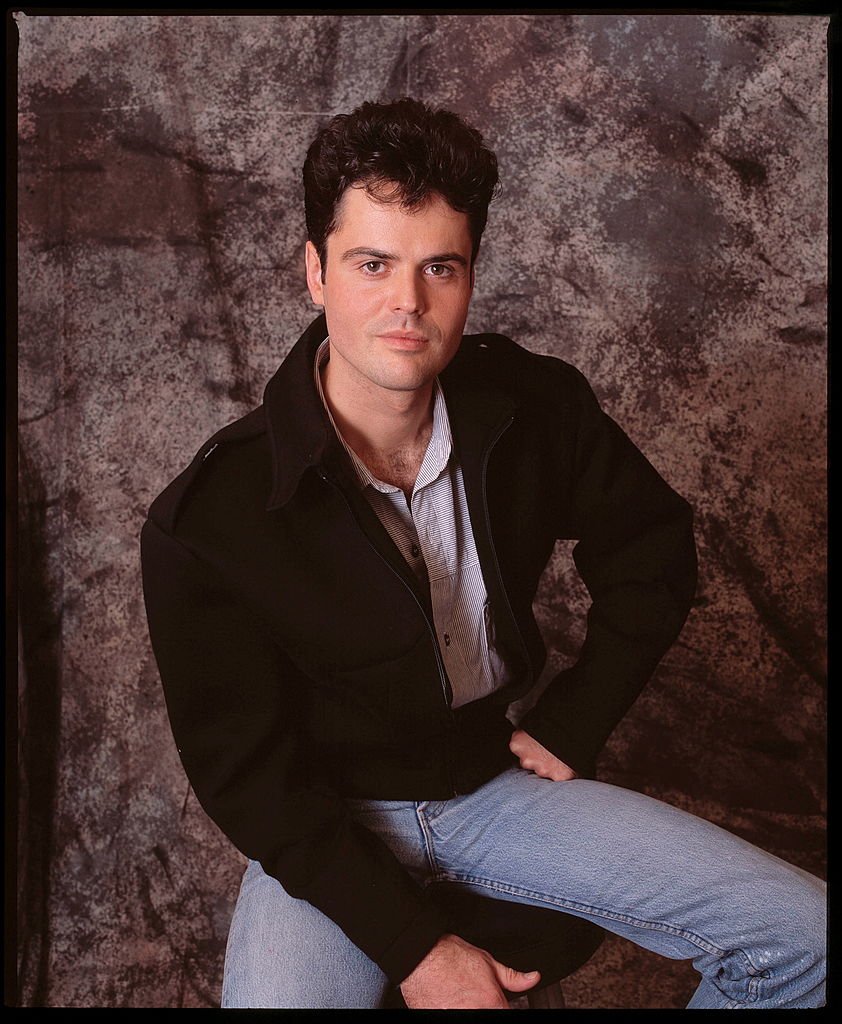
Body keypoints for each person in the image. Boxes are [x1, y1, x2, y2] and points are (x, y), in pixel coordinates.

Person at [140, 97, 825, 1010]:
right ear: (315, 271)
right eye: (371, 264)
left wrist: (574, 719)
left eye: (439, 268)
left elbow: (651, 547)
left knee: (806, 941)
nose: (406, 304)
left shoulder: (534, 406)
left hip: (493, 788)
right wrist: (423, 953)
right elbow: (252, 787)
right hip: (328, 825)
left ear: (470, 274)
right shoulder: (209, 517)